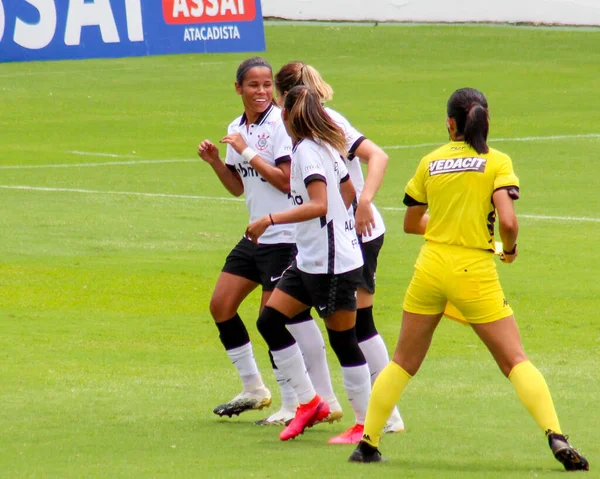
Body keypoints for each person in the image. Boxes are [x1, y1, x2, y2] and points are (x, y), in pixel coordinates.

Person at [349, 87, 589, 472]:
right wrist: (507, 247)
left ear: (449, 124)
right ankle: (555, 434)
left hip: (429, 268)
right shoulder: (496, 162)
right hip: (473, 272)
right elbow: (508, 221)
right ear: (486, 120)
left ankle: (368, 443)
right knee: (514, 360)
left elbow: (412, 223)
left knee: (403, 362)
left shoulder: (430, 161)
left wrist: (445, 226)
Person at [198, 57, 341, 423]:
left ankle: (294, 403)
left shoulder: (280, 124)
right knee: (221, 305)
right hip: (256, 235)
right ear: (238, 89)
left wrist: (246, 150)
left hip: (285, 237)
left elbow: (284, 179)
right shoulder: (236, 126)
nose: (261, 92)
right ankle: (253, 387)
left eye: (266, 86)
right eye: (253, 86)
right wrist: (217, 161)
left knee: (271, 318)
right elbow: (237, 186)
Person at [273, 61, 405, 438]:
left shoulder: (324, 123)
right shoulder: (312, 128)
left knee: (357, 328)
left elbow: (377, 157)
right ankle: (320, 400)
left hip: (354, 234)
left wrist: (362, 203)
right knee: (290, 314)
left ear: (287, 99)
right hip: (336, 234)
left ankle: (383, 414)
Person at [245, 85, 371, 443]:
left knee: (344, 341)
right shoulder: (322, 146)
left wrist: (269, 219)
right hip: (311, 260)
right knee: (269, 321)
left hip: (333, 265)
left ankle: (364, 425)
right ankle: (310, 402)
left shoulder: (306, 154)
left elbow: (319, 203)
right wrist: (339, 224)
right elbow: (347, 192)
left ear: (289, 116)